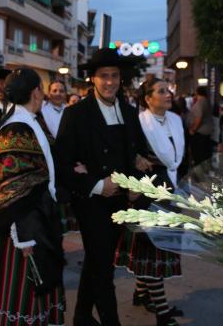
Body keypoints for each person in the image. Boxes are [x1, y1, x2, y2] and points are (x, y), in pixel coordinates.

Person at [55, 48, 150, 326]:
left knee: (100, 262)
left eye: (115, 76)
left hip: (121, 203)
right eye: (104, 76)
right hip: (92, 203)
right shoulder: (76, 114)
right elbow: (63, 163)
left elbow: (137, 154)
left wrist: (135, 183)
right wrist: (97, 184)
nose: (110, 82)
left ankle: (82, 316)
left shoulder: (131, 114)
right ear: (93, 80)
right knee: (103, 269)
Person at [0, 68, 65, 326]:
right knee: (18, 296)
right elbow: (16, 190)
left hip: (32, 219)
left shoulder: (29, 120)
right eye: (42, 89)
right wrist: (25, 236)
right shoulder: (16, 128)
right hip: (18, 228)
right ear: (35, 92)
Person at [114, 78, 184, 326]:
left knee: (155, 247)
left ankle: (140, 293)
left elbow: (177, 158)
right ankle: (162, 312)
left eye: (169, 90)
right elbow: (124, 150)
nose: (168, 94)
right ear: (148, 98)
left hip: (168, 186)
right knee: (152, 248)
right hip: (146, 189)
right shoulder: (139, 122)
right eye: (161, 91)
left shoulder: (175, 120)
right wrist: (134, 161)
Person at [187, 86, 213, 166]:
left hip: (199, 134)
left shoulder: (200, 103)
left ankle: (199, 175)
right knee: (205, 156)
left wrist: (193, 129)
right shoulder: (207, 102)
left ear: (197, 93)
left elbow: (199, 117)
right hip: (206, 133)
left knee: (199, 156)